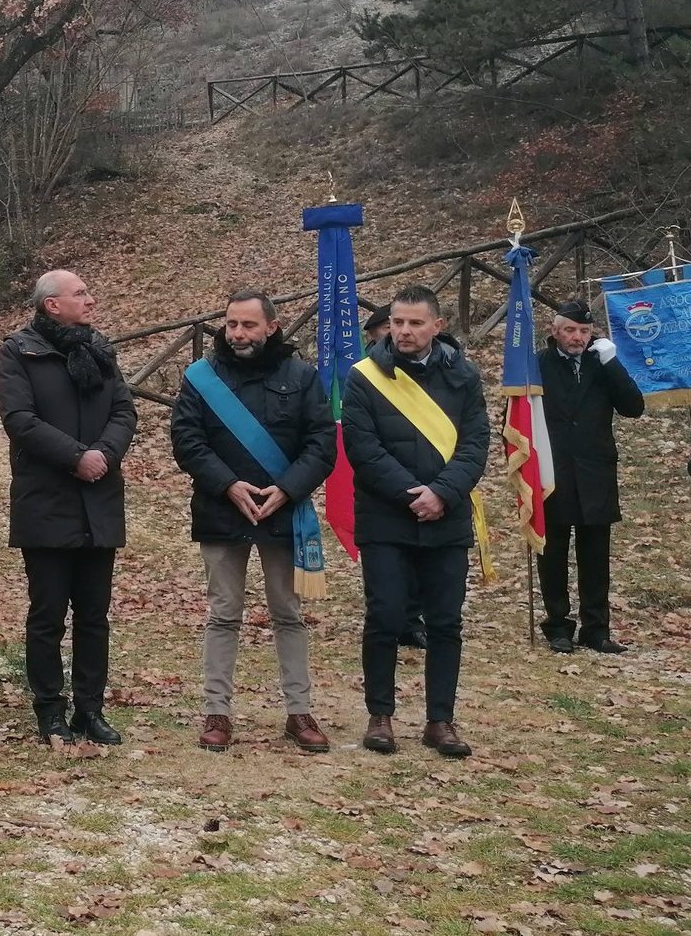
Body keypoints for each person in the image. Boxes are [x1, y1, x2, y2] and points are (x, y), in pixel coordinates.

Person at [170, 291, 336, 754]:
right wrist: (228, 485)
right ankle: (217, 713)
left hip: (284, 511)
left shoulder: (302, 376)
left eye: (248, 325)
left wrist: (288, 488)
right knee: (223, 614)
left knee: (288, 614)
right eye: (231, 325)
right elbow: (187, 439)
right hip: (222, 508)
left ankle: (299, 712)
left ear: (272, 327)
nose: (238, 334)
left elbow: (321, 442)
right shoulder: (202, 378)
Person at [342, 285, 489, 758]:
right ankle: (380, 715)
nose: (404, 331)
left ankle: (440, 720)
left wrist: (442, 493)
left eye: (415, 323)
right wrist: (414, 496)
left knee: (445, 622)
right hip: (386, 518)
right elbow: (364, 449)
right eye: (398, 322)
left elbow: (475, 444)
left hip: (447, 517)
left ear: (437, 326)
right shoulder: (364, 377)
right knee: (385, 617)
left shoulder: (464, 376)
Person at [0, 270, 137, 745]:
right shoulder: (19, 352)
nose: (90, 300)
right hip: (46, 503)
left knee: (94, 616)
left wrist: (104, 454)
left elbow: (124, 411)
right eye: (81, 293)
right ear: (52, 304)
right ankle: (50, 710)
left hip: (99, 501)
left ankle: (89, 710)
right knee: (48, 616)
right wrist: (76, 457)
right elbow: (20, 419)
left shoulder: (100, 349)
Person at [536, 300, 645, 655]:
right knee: (552, 554)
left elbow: (634, 407)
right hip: (553, 472)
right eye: (570, 330)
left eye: (584, 331)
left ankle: (596, 629)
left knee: (596, 556)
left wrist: (613, 363)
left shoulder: (602, 364)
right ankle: (558, 626)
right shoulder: (537, 365)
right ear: (555, 331)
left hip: (596, 472)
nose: (577, 337)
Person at [365, 307, 426, 650]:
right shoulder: (367, 371)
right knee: (387, 567)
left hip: (429, 478)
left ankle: (413, 619)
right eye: (390, 327)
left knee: (419, 559)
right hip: (385, 482)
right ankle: (393, 619)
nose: (397, 333)